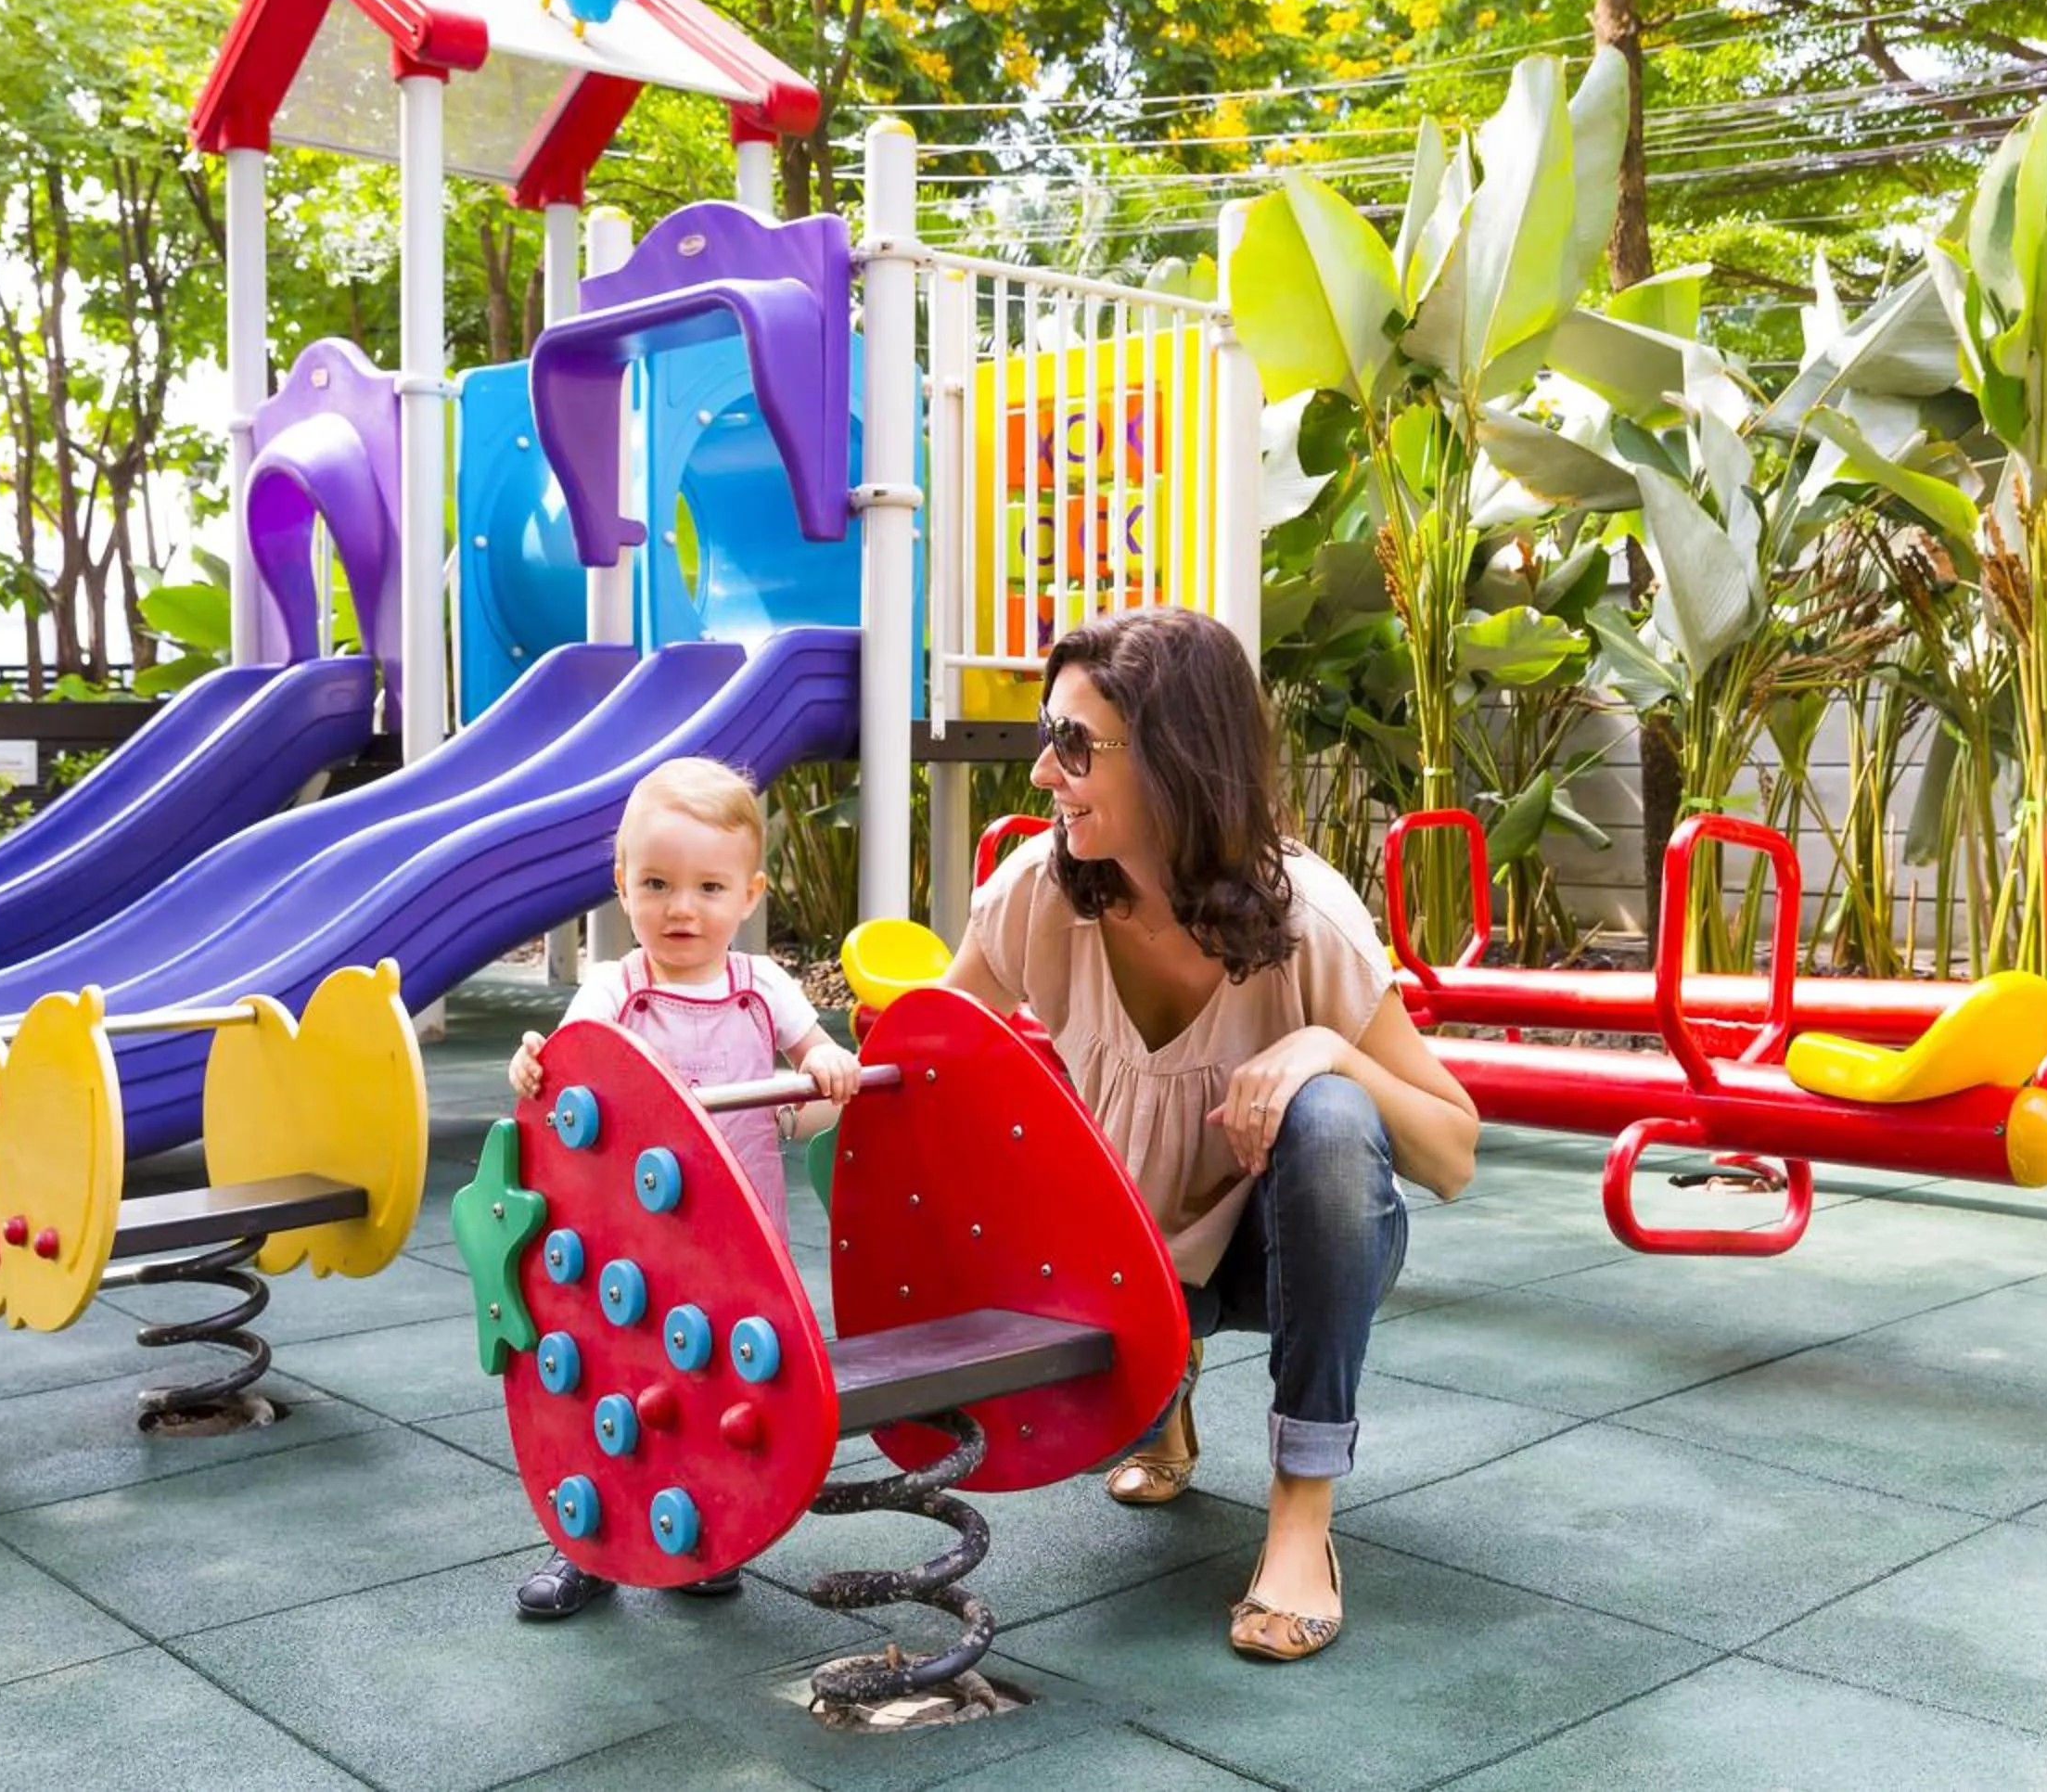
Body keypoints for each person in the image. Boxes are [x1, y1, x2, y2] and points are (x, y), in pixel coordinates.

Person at [943, 607, 1478, 1662]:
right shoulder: (1039, 896)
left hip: (1276, 1255)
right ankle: (1160, 1384)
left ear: (1179, 762)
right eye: (1048, 740)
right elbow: (933, 1056)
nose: (1046, 776)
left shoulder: (1305, 922)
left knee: (1330, 1120)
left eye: (1075, 747)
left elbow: (1453, 1150)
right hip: (1119, 1258)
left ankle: (1300, 1521)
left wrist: (1331, 1049)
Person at [504, 755, 863, 1619]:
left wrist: (826, 1061)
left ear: (749, 894)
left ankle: (701, 1536)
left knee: (718, 1394)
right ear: (622, 885)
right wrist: (528, 1069)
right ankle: (584, 1541)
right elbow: (563, 1090)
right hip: (630, 1253)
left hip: (736, 1248)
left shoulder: (760, 989)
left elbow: (811, 1050)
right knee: (613, 1385)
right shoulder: (612, 994)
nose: (681, 908)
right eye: (657, 883)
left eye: (709, 887)